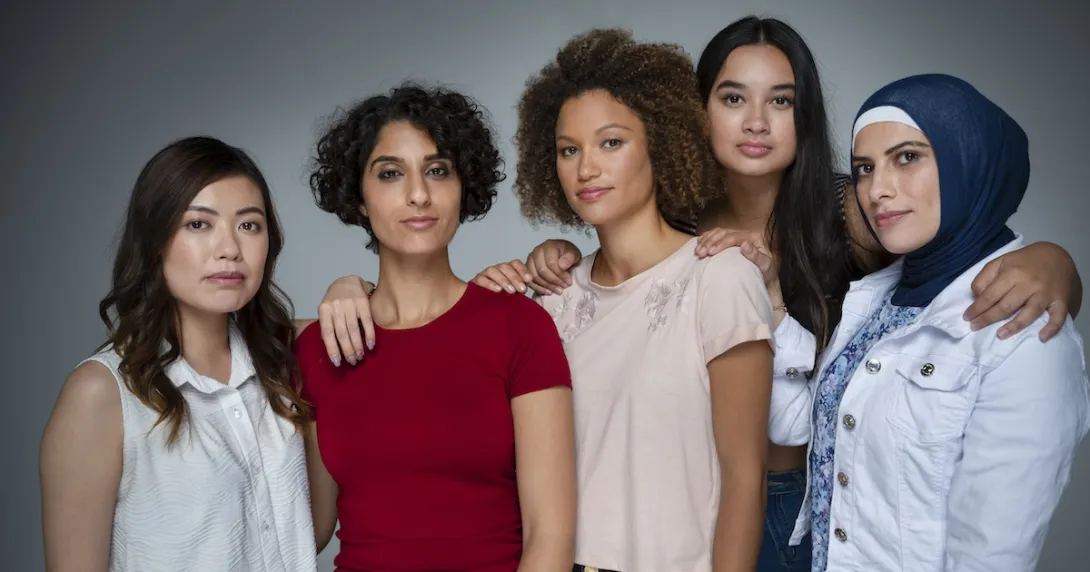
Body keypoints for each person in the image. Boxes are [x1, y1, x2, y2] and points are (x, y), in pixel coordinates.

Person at [311, 16, 1083, 572]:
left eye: (780, 100)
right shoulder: (614, 260)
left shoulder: (850, 212)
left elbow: (966, 238)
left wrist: (1055, 262)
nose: (754, 122)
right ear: (698, 113)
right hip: (627, 537)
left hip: (782, 514)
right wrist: (360, 286)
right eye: (570, 151)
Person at [801, 72, 1090, 571]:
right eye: (864, 168)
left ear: (967, 161)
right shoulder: (873, 296)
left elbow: (991, 555)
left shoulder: (1024, 332)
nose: (877, 190)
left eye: (907, 157)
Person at [292, 83, 576, 572]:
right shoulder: (320, 347)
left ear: (463, 186)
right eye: (389, 174)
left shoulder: (519, 327)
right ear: (358, 199)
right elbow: (309, 529)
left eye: (437, 170)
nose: (418, 194)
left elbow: (550, 538)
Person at [39, 136, 318, 572]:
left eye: (249, 225)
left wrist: (353, 290)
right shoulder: (101, 394)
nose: (230, 248)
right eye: (198, 224)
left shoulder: (284, 367)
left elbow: (305, 534)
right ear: (154, 242)